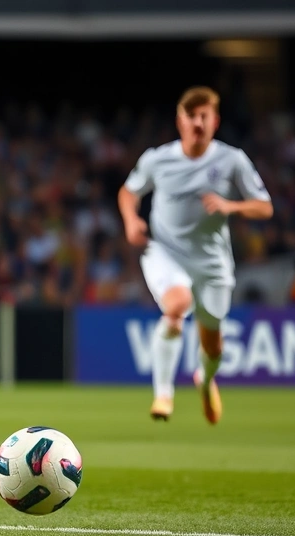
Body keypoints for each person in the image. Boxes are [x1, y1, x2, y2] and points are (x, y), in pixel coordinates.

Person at [118, 86, 273, 424]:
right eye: (191, 116)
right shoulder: (157, 159)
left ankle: (206, 379)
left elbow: (264, 207)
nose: (197, 123)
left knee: (213, 344)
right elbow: (128, 192)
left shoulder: (232, 160)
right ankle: (163, 395)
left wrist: (231, 205)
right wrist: (131, 221)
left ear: (215, 121)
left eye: (204, 116)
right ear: (180, 121)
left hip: (213, 263)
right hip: (165, 251)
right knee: (175, 306)